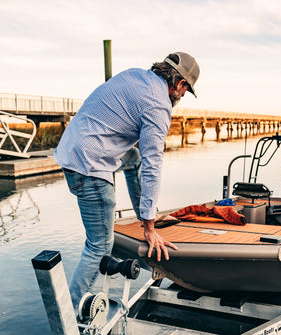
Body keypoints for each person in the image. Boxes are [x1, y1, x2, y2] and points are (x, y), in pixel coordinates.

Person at [53, 51, 200, 311]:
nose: (184, 96)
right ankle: (68, 313)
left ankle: (143, 214)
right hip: (90, 167)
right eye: (186, 90)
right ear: (179, 84)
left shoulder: (134, 75)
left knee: (133, 158)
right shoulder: (159, 105)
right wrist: (150, 231)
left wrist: (147, 213)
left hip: (71, 152)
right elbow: (155, 165)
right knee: (99, 245)